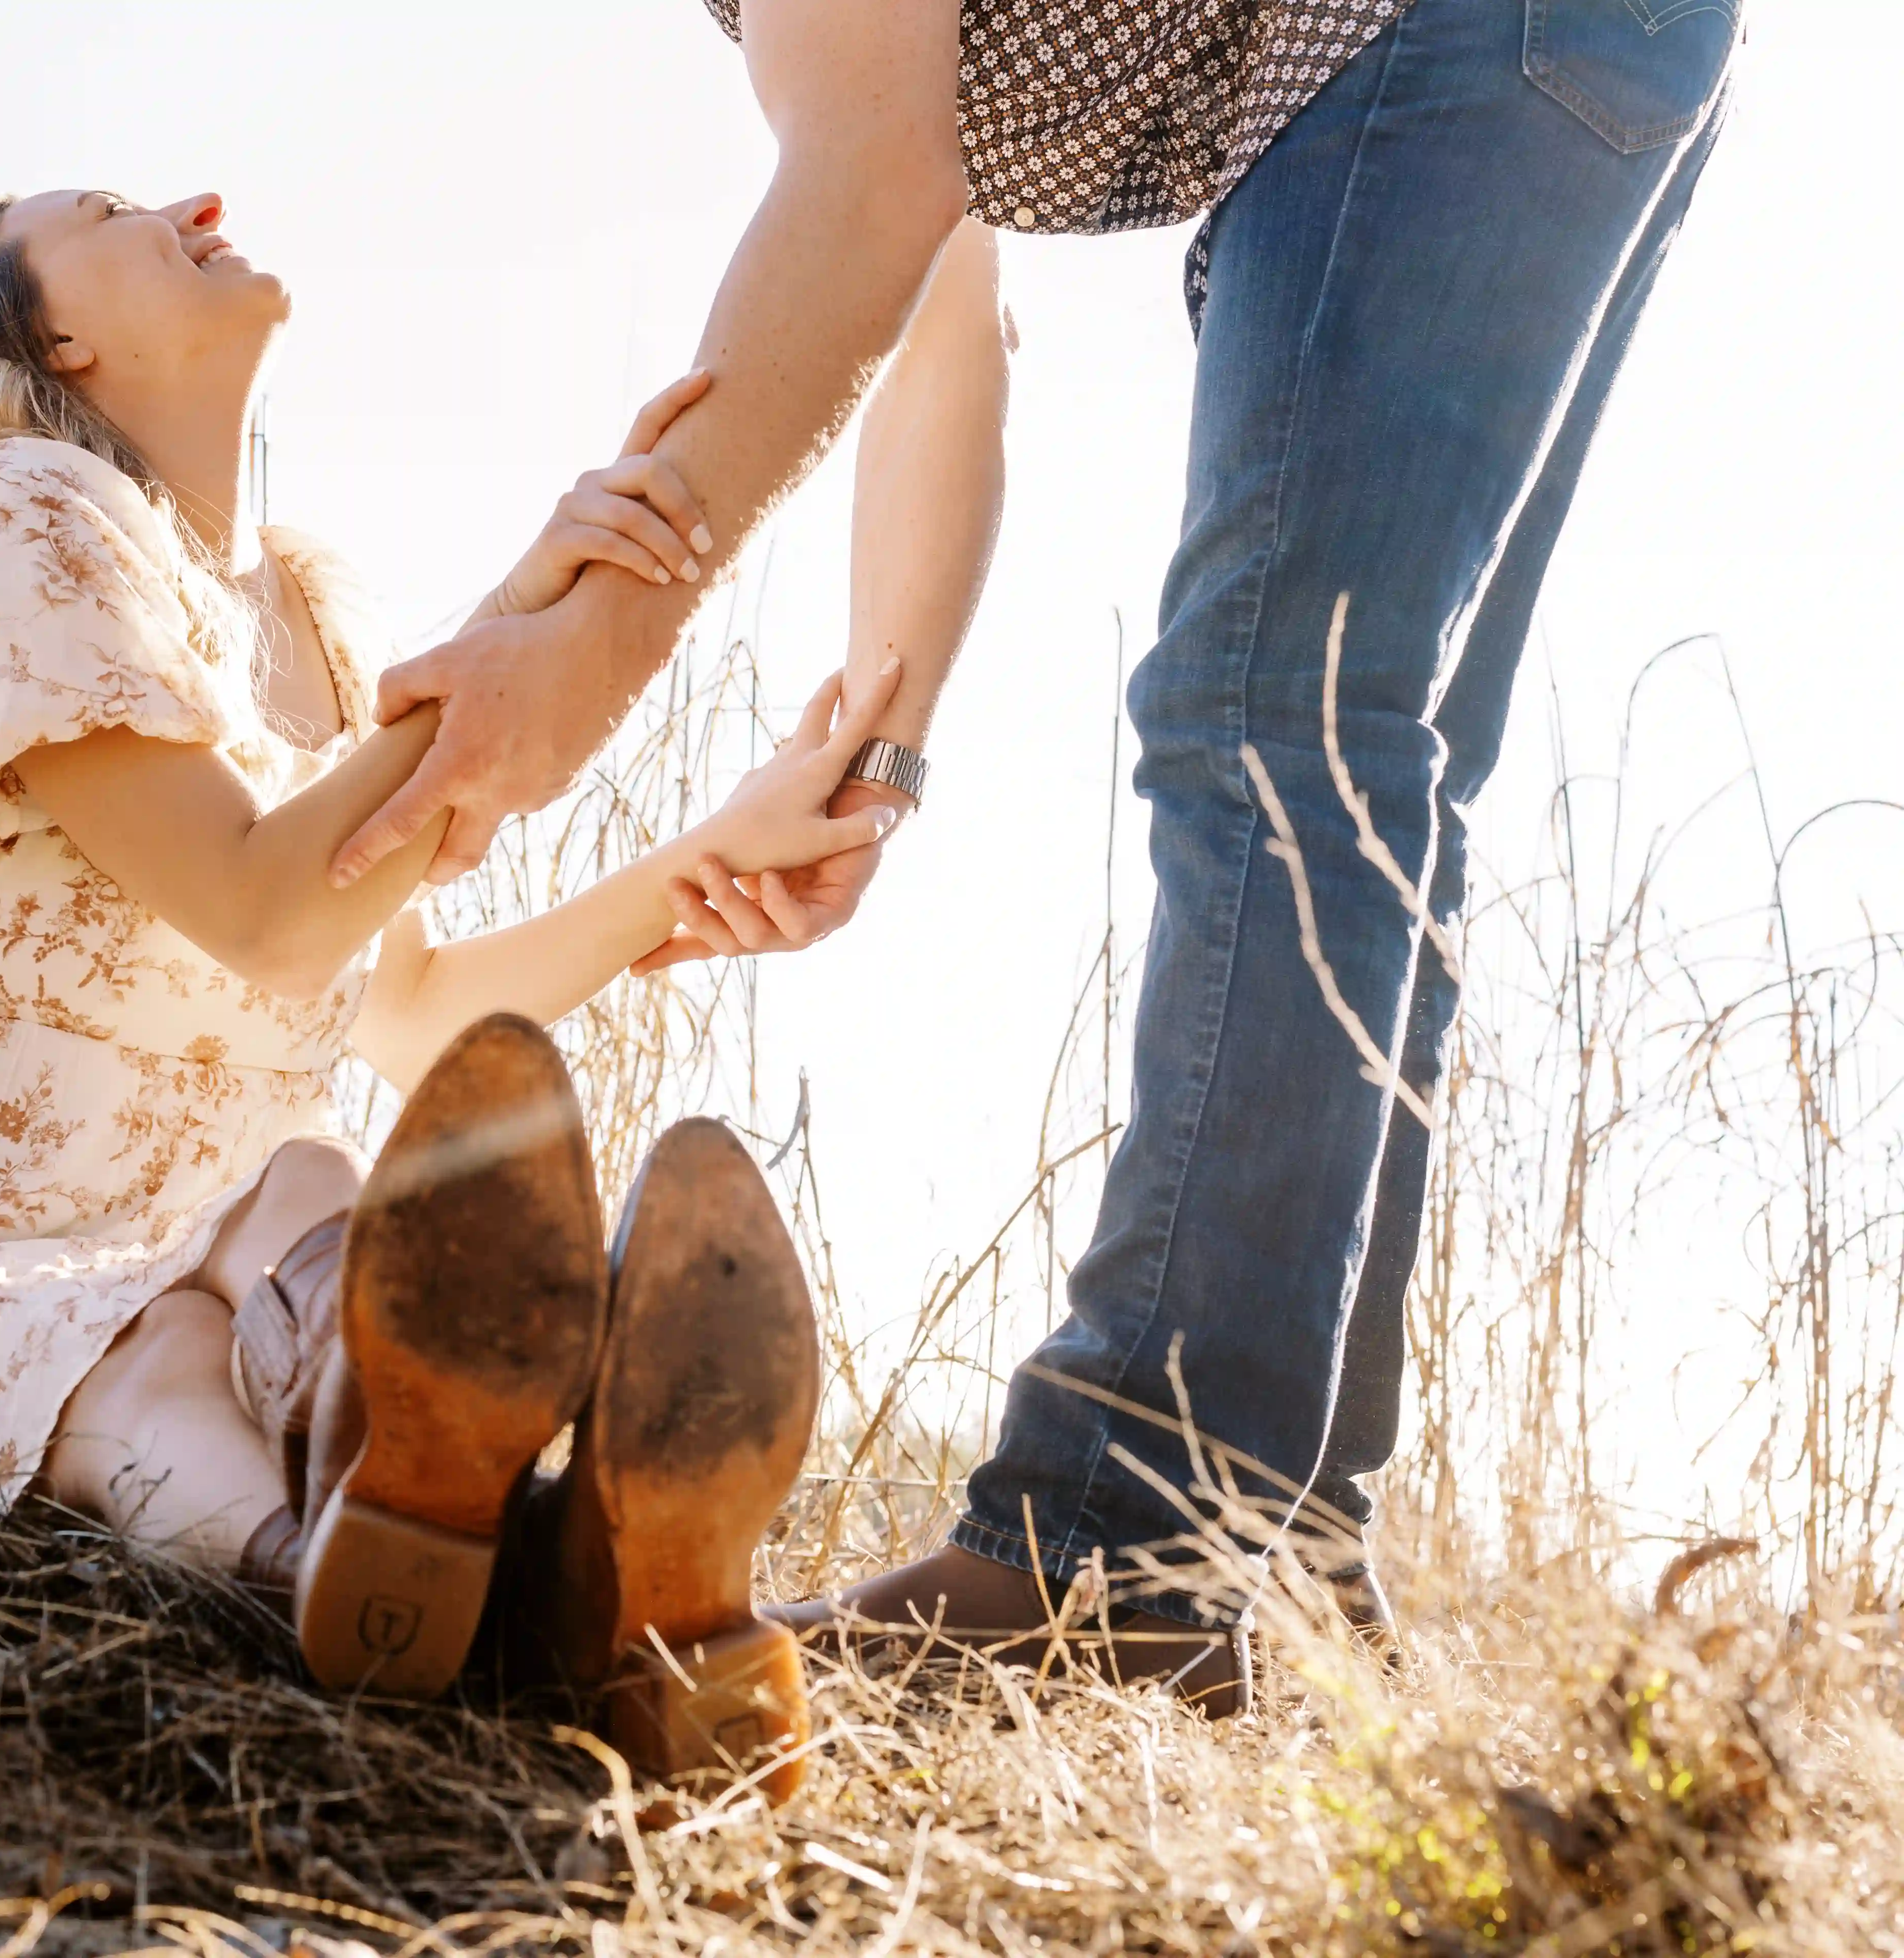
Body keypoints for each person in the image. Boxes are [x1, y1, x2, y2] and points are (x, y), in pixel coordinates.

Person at [332, 0, 1742, 1711]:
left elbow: (874, 192)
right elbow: (939, 308)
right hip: (1542, 49)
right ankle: (1269, 1548)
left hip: (1444, 42)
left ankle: (1125, 1544)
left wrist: (581, 662)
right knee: (1372, 764)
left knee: (1284, 720)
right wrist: (873, 759)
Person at [0, 187, 899, 1793]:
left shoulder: (306, 608)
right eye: (104, 212)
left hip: (210, 1272)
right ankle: (481, 1591)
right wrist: (516, 624)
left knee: (294, 1184)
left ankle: (487, 1557)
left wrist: (702, 864)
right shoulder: (13, 517)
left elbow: (411, 1011)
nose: (187, 203)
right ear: (56, 339)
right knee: (181, 1302)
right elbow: (262, 909)